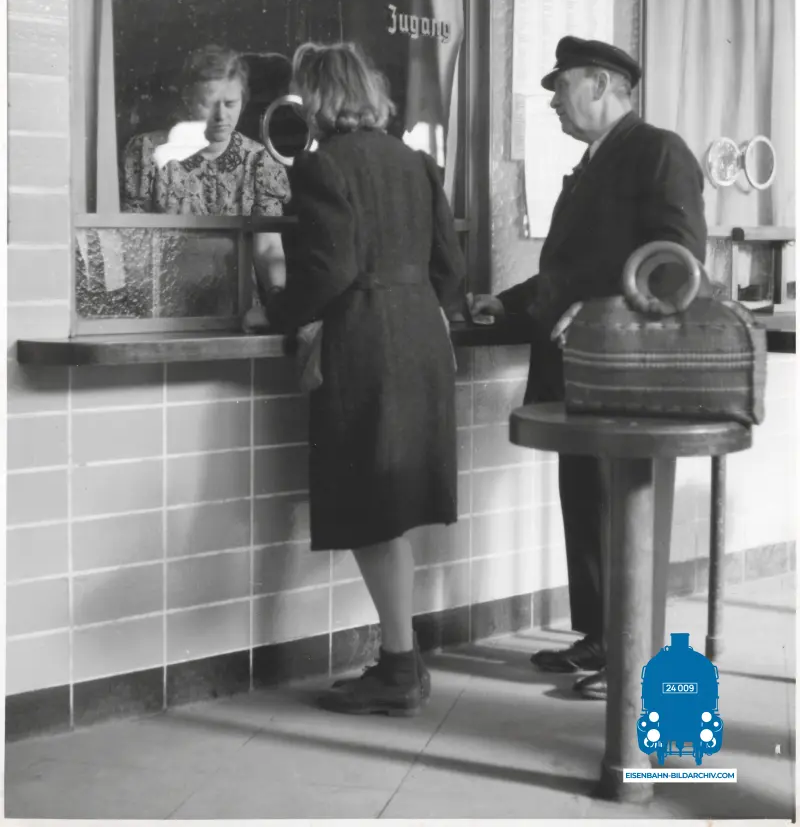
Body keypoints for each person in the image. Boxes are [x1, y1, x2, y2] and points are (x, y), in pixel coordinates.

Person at [470, 36, 707, 702]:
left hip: (625, 369)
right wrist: (510, 303)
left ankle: (635, 658)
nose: (553, 100)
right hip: (578, 370)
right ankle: (603, 637)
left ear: (602, 85)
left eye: (563, 85)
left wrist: (608, 309)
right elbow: (573, 268)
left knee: (621, 510)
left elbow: (678, 263)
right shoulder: (595, 161)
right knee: (587, 502)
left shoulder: (658, 151)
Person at [267, 41, 464, 717]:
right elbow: (450, 269)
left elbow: (329, 270)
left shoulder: (322, 165)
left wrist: (277, 309)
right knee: (391, 506)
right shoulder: (416, 162)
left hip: (365, 341)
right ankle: (400, 660)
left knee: (370, 506)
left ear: (320, 97)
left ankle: (400, 668)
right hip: (420, 338)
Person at [121, 45, 289, 297]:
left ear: (243, 100)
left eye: (230, 104)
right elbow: (132, 243)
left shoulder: (259, 161)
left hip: (237, 305)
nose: (221, 116)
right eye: (208, 104)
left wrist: (277, 298)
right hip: (164, 303)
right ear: (187, 99)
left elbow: (267, 248)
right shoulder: (147, 153)